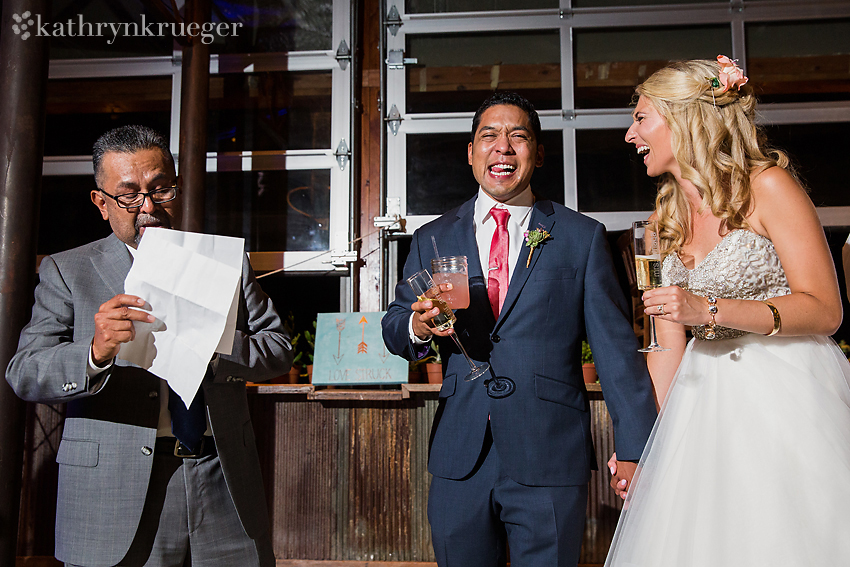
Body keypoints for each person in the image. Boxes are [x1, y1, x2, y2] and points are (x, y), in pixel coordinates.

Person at [382, 92, 658, 567]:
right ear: (471, 152)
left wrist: (635, 447)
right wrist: (417, 324)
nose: (502, 147)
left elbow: (615, 353)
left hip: (549, 449)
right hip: (459, 455)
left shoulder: (581, 237)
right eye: (489, 136)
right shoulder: (432, 237)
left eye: (518, 137)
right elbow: (394, 326)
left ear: (538, 153)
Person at [6, 125, 292, 567]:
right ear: (101, 202)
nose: (149, 206)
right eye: (129, 195)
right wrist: (95, 352)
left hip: (221, 476)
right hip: (114, 487)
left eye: (161, 189)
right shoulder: (68, 270)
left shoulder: (220, 262)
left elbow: (276, 348)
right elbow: (24, 371)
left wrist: (210, 346)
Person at [606, 56, 850, 566]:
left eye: (641, 118)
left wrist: (710, 309)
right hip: (699, 409)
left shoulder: (769, 188)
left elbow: (825, 309)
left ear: (682, 119)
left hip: (785, 396)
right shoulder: (661, 223)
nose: (631, 135)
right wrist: (641, 445)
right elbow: (666, 347)